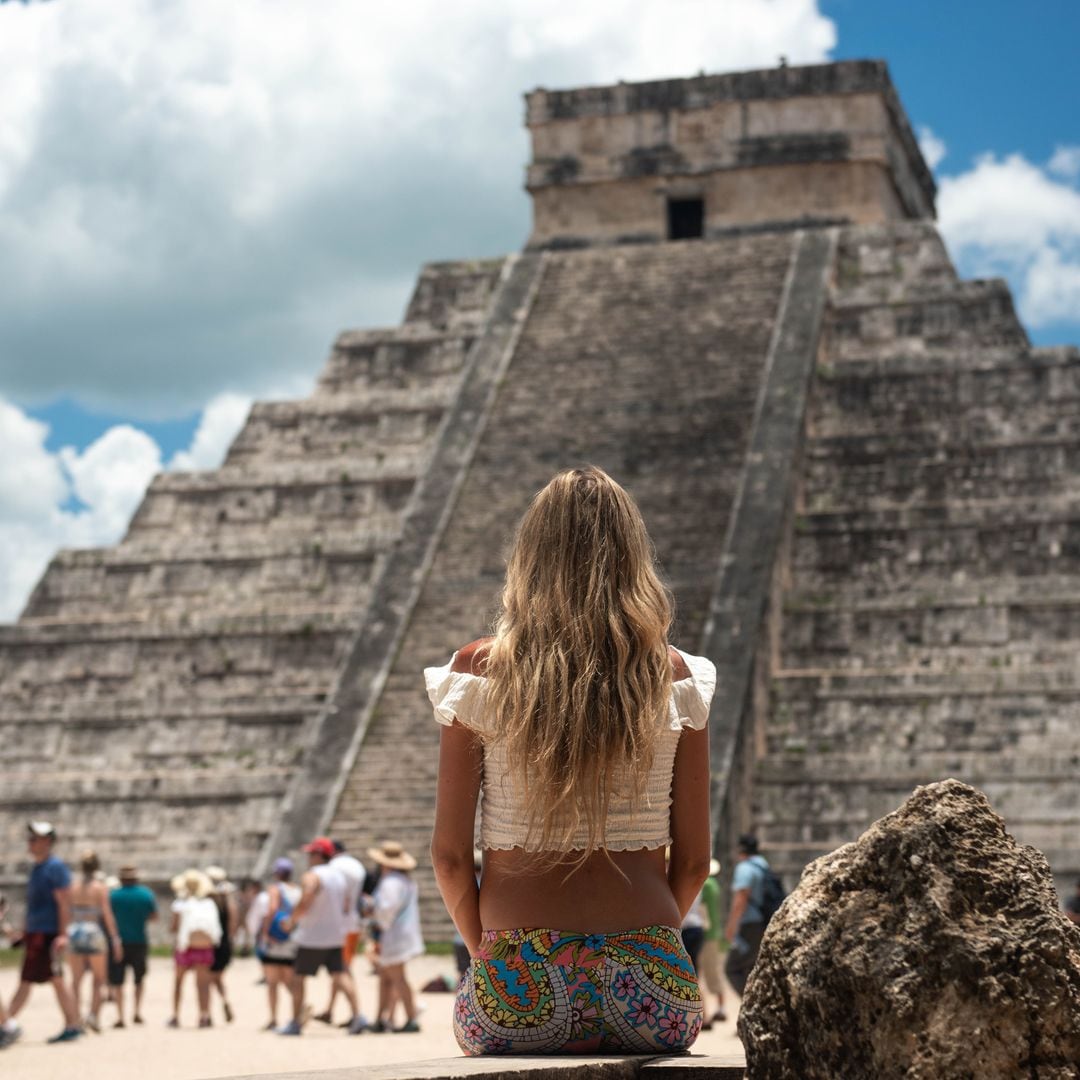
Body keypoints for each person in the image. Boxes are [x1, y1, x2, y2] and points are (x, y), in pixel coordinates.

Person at [428, 466, 714, 1055]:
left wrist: (496, 955)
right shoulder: (677, 675)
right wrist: (644, 948)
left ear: (528, 557)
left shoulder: (480, 671)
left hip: (515, 980)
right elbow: (693, 864)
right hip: (654, 987)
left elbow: (451, 858)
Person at [277, 837, 368, 1036]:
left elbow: (307, 897)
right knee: (341, 974)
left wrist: (292, 920)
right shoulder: (339, 876)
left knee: (298, 978)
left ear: (319, 855)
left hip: (312, 935)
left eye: (311, 854)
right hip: (336, 934)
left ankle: (295, 1022)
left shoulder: (313, 875)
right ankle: (358, 1016)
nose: (308, 858)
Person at [5, 822, 83, 1044]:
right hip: (38, 931)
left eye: (34, 839)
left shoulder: (54, 868)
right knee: (54, 979)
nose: (30, 843)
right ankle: (73, 1023)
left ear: (47, 841)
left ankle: (7, 1024)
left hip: (48, 933)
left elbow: (64, 903)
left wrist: (63, 934)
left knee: (29, 979)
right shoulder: (38, 868)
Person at [368, 841, 424, 1033]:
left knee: (397, 977)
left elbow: (385, 909)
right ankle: (381, 1018)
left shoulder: (391, 882)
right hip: (401, 933)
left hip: (393, 934)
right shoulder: (406, 881)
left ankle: (410, 1018)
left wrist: (372, 914)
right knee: (387, 977)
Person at [67, 851, 122, 1033]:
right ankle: (93, 1015)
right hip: (93, 931)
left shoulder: (73, 886)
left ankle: (76, 1017)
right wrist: (115, 939)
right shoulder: (100, 888)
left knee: (75, 981)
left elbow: (67, 913)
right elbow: (107, 915)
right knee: (99, 979)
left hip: (75, 931)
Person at [313, 840, 366, 1026]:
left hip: (338, 925)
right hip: (352, 923)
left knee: (341, 970)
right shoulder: (356, 865)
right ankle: (330, 1009)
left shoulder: (334, 868)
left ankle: (356, 1014)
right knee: (340, 969)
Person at [168, 869, 222, 1028]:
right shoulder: (209, 904)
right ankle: (204, 1014)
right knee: (203, 984)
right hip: (204, 947)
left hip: (185, 947)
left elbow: (174, 927)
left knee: (178, 982)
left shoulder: (180, 904)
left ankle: (176, 1015)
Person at [107, 865, 158, 1028]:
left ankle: (121, 1016)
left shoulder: (113, 896)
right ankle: (136, 1012)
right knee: (139, 979)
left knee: (118, 981)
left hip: (118, 943)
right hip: (139, 940)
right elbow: (154, 916)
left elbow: (107, 918)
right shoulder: (146, 894)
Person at [256, 859, 301, 1030]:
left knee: (272, 981)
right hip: (292, 938)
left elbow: (272, 909)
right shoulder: (297, 890)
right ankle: (298, 1012)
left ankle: (273, 1018)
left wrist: (266, 932)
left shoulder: (275, 889)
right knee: (290, 980)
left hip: (276, 939)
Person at [724, 835, 770, 998]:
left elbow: (740, 899)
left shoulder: (744, 868)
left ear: (741, 850)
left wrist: (731, 927)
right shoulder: (763, 866)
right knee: (751, 968)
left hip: (749, 925)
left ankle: (752, 1006)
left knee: (732, 968)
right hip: (764, 923)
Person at [697, 859, 727, 1027]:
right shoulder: (714, 885)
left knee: (702, 974)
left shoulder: (706, 885)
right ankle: (721, 1007)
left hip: (705, 933)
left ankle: (706, 1014)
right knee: (715, 971)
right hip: (714, 932)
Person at [205, 866, 236, 1023]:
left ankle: (208, 1013)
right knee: (217, 978)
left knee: (208, 980)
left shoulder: (207, 902)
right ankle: (224, 1002)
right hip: (225, 944)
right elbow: (233, 924)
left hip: (210, 944)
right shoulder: (228, 902)